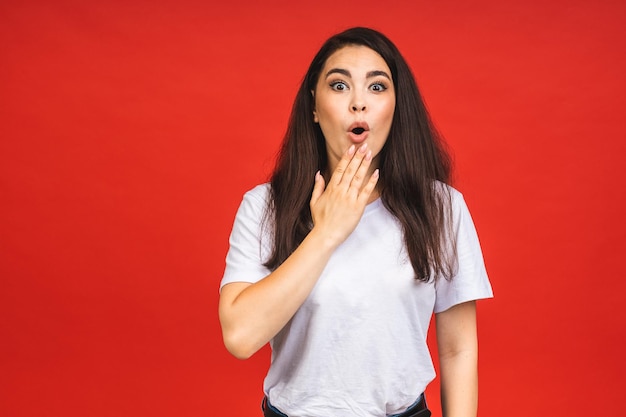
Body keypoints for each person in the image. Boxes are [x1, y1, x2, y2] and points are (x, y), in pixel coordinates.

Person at [218, 27, 493, 417]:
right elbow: (240, 336)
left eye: (377, 88)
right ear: (314, 107)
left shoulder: (441, 207)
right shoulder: (264, 206)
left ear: (397, 108)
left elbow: (458, 348)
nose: (359, 103)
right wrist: (327, 233)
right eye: (340, 85)